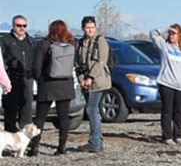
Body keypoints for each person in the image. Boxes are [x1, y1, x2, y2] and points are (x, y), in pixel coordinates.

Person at [28, 20, 76, 156]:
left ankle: (34, 147)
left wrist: (40, 80)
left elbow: (36, 66)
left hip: (48, 84)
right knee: (63, 118)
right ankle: (62, 147)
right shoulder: (71, 44)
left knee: (40, 117)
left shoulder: (44, 44)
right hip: (66, 84)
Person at [151, 24, 181, 145]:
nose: (171, 36)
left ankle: (178, 135)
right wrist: (165, 28)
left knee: (179, 111)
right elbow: (153, 34)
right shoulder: (164, 45)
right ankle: (167, 136)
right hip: (166, 83)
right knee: (167, 110)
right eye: (170, 33)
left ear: (179, 35)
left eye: (174, 33)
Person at [75, 16, 112, 153]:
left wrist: (91, 77)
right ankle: (97, 141)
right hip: (85, 81)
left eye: (92, 27)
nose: (90, 30)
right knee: (92, 110)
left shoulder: (100, 41)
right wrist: (81, 79)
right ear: (83, 28)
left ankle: (95, 142)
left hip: (98, 81)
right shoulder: (80, 43)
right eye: (87, 27)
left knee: (92, 109)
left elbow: (101, 61)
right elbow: (78, 63)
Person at [1, 15, 35, 132]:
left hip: (27, 77)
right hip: (11, 78)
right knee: (11, 107)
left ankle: (25, 135)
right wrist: (9, 65)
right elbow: (1, 59)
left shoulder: (30, 41)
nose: (21, 28)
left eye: (24, 26)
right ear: (13, 26)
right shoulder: (6, 40)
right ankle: (9, 134)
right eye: (18, 25)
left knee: (26, 107)